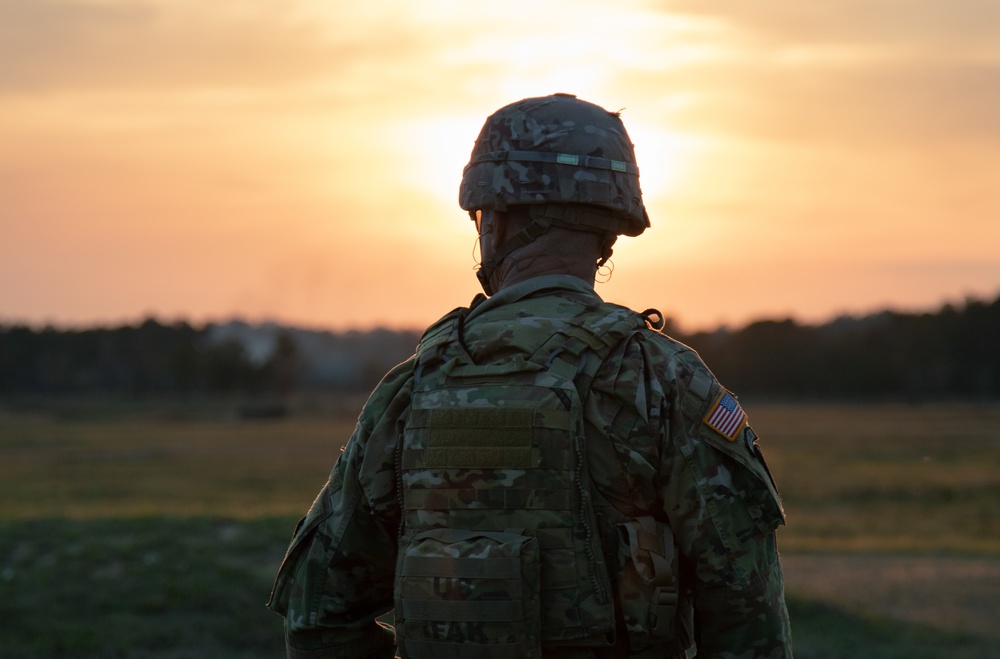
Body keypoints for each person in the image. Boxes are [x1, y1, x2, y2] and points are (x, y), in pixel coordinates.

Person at [268, 93, 792, 658]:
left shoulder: (413, 388)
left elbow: (318, 612)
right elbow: (746, 612)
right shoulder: (663, 380)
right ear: (609, 232)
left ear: (491, 220)